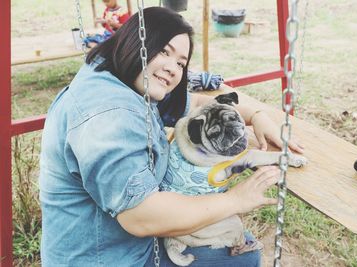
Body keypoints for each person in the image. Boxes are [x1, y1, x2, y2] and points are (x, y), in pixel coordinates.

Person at [39, 7, 304, 267]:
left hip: (117, 246)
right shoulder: (108, 116)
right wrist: (236, 200)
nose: (173, 69)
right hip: (106, 258)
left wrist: (256, 115)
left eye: (180, 62)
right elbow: (141, 217)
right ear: (136, 43)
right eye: (164, 51)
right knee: (243, 257)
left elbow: (197, 103)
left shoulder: (124, 77)